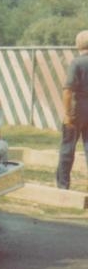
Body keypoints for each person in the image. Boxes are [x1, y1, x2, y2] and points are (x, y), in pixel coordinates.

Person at [56, 30, 88, 189]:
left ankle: (63, 186)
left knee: (67, 149)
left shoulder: (76, 63)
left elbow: (68, 91)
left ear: (78, 45)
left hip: (77, 111)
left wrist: (68, 114)